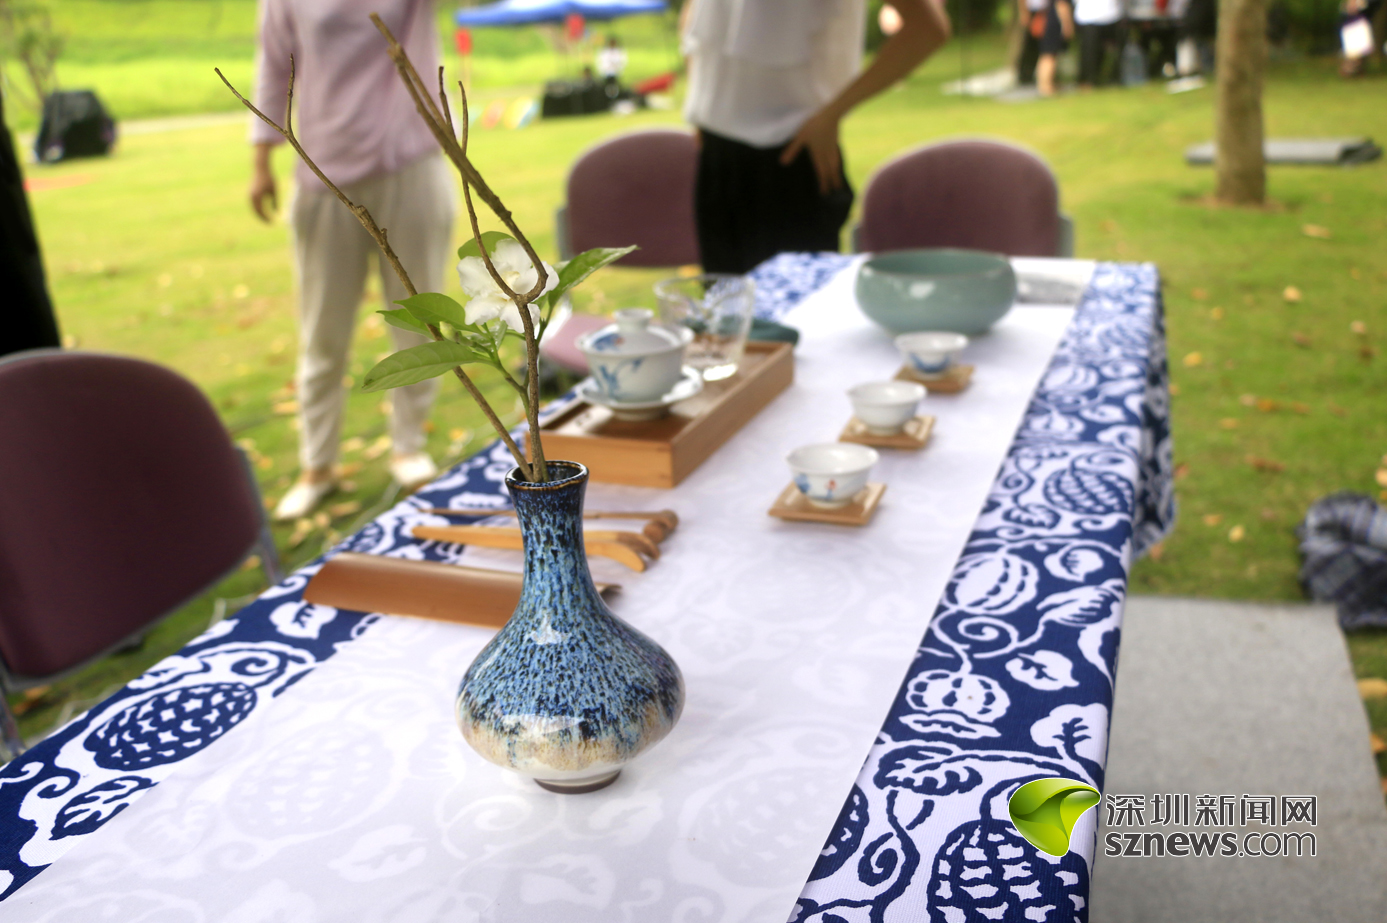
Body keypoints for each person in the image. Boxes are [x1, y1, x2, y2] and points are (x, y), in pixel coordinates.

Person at [249, 0, 455, 521]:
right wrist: (261, 161)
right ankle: (317, 464)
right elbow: (272, 64)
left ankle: (409, 447)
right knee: (323, 331)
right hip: (324, 171)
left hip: (410, 162)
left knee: (420, 322)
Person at [681, 0, 950, 275]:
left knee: (795, 298)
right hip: (715, 152)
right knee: (722, 297)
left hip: (791, 155)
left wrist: (831, 115)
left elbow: (927, 28)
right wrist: (703, 95)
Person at [1074, 0, 1123, 87]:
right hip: (1088, 17)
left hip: (1113, 16)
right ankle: (1087, 81)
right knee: (1089, 53)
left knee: (1114, 52)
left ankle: (1113, 78)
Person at [1036, 0, 1074, 96]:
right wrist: (1067, 25)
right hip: (1055, 24)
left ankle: (1046, 85)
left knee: (1047, 55)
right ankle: (1046, 87)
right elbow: (1062, 5)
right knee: (1050, 56)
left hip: (1049, 22)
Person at [1017, 0, 1049, 85]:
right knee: (1030, 45)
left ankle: (1035, 73)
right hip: (1033, 12)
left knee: (1041, 45)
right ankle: (1025, 74)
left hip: (1044, 12)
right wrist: (1024, 13)